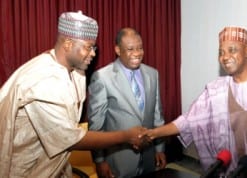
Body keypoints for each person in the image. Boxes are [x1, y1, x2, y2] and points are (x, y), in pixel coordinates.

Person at [0, 11, 146, 178]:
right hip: (24, 169)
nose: (93, 53)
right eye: (88, 47)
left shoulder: (77, 70)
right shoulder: (44, 80)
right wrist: (126, 136)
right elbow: (71, 138)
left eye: (94, 47)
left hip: (56, 165)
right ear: (68, 44)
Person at [142, 26, 247, 177]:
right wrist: (152, 134)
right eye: (221, 52)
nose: (224, 57)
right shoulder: (215, 90)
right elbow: (188, 121)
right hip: (235, 171)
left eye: (232, 50)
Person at [87, 27, 166, 178]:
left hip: (149, 158)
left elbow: (157, 115)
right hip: (118, 161)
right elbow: (96, 125)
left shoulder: (152, 74)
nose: (137, 53)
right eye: (130, 49)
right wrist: (99, 161)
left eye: (140, 48)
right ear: (117, 50)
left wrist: (159, 149)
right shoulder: (102, 77)